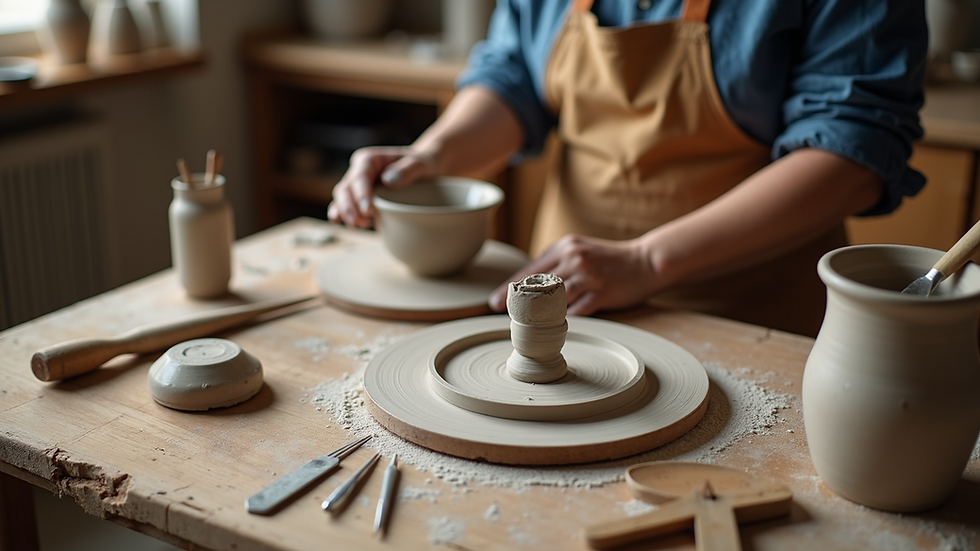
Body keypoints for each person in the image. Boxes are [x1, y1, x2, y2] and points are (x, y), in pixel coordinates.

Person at [328, 0, 927, 337]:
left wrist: (646, 261)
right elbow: (514, 77)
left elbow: (851, 151)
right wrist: (431, 156)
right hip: (561, 300)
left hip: (745, 317)